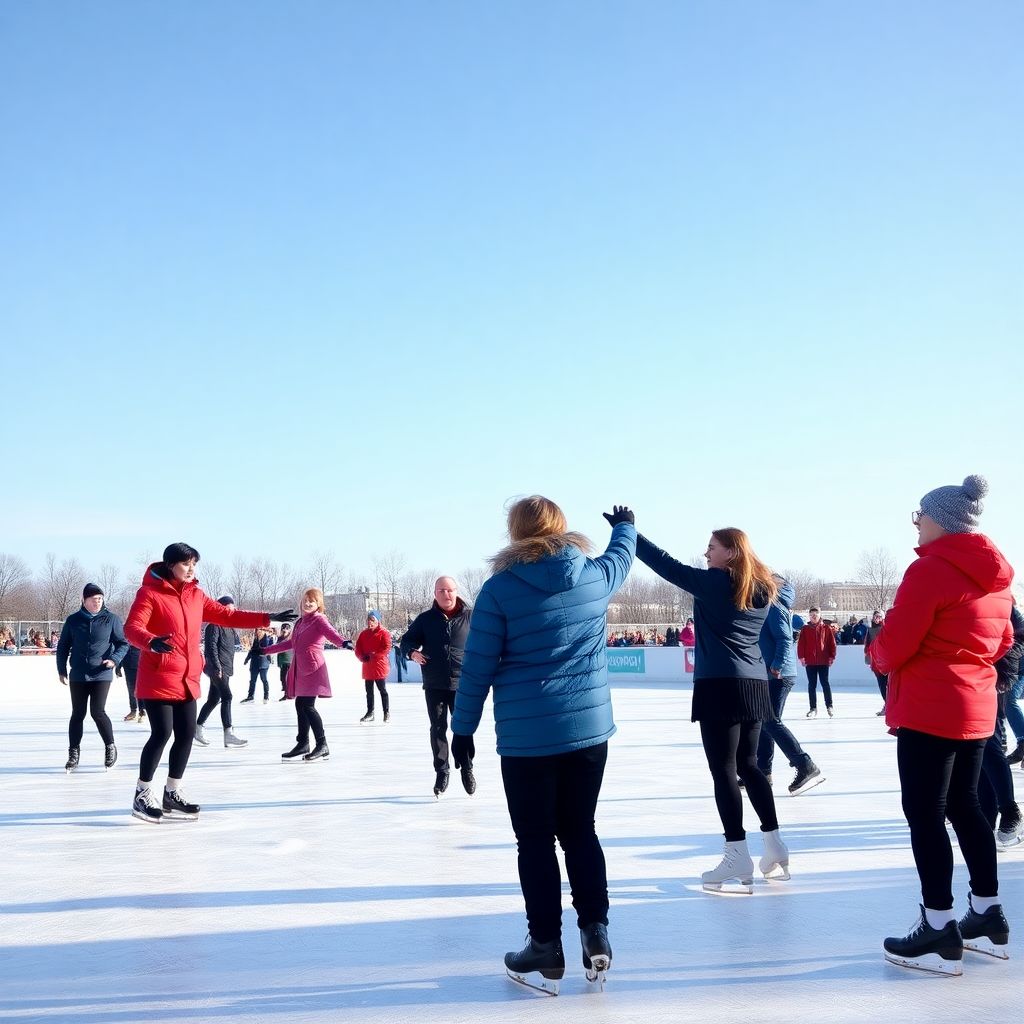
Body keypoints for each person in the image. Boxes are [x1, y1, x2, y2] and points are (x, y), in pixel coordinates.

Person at [450, 498, 635, 994]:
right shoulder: (594, 577)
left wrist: (462, 729)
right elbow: (621, 557)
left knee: (535, 839)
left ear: (515, 532)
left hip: (528, 739)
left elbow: (479, 667)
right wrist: (625, 527)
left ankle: (545, 946)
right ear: (561, 528)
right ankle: (595, 929)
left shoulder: (500, 590)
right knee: (580, 831)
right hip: (588, 733)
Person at [871, 476, 1013, 975]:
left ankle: (938, 924)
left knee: (926, 812)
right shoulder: (996, 579)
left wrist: (876, 653)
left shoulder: (930, 570)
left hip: (931, 706)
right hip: (975, 706)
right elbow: (1001, 643)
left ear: (942, 521)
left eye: (920, 514)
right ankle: (986, 911)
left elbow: (898, 642)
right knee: (967, 805)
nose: (916, 522)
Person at [634, 524, 789, 894]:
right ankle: (774, 845)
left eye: (711, 547)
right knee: (749, 766)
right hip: (753, 684)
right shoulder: (762, 588)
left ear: (731, 552)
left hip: (719, 684)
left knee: (724, 770)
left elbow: (666, 565)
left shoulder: (717, 583)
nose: (706, 554)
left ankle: (736, 851)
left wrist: (630, 534)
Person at [123, 542, 296, 823]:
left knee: (186, 734)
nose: (191, 569)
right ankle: (142, 794)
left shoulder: (196, 595)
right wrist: (151, 642)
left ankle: (172, 792)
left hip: (188, 677)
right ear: (170, 565)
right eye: (185, 564)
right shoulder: (150, 593)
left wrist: (267, 617)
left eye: (194, 564)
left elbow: (227, 615)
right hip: (158, 675)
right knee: (162, 733)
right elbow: (132, 628)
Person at [400, 576, 473, 797]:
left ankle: (467, 767)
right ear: (435, 593)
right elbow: (406, 641)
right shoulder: (425, 619)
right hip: (435, 683)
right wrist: (412, 652)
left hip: (463, 682)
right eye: (441, 590)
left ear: (456, 591)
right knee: (438, 728)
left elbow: (488, 641)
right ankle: (442, 771)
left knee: (463, 727)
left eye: (450, 590)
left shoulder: (472, 617)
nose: (446, 594)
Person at [757, 577, 824, 796]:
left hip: (779, 673)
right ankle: (763, 771)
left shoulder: (774, 605)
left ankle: (805, 765)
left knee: (770, 721)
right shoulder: (768, 604)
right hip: (773, 672)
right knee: (766, 721)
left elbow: (785, 640)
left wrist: (776, 664)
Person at [263, 588, 347, 762]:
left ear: (318, 604)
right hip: (300, 668)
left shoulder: (319, 619)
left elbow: (332, 634)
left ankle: (322, 745)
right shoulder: (301, 622)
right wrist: (264, 650)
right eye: (306, 600)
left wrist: (343, 642)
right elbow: (290, 644)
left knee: (307, 705)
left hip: (313, 668)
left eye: (312, 601)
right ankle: (303, 743)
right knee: (301, 704)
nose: (308, 603)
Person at [56, 583, 130, 773]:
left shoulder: (111, 619)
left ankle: (110, 747)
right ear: (84, 600)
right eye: (93, 599)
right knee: (78, 714)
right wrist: (61, 669)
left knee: (97, 711)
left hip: (101, 673)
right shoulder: (73, 620)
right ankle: (73, 753)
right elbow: (63, 646)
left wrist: (114, 660)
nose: (97, 602)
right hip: (79, 673)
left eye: (100, 599)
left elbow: (123, 643)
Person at [195, 596, 247, 749]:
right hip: (217, 668)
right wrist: (217, 667)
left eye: (233, 608)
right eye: (228, 608)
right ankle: (228, 733)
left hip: (226, 667)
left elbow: (232, 647)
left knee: (213, 699)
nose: (231, 611)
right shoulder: (214, 625)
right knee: (227, 696)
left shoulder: (230, 627)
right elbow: (210, 648)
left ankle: (197, 728)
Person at [797, 607, 836, 717]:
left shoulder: (826, 628)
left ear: (820, 615)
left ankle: (829, 706)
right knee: (811, 685)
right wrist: (801, 657)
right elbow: (801, 644)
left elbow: (831, 644)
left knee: (825, 683)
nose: (814, 616)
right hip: (810, 662)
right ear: (809, 616)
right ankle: (813, 708)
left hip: (823, 661)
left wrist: (831, 657)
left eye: (816, 614)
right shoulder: (805, 629)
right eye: (812, 614)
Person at [355, 610, 392, 723]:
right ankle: (370, 712)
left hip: (379, 666)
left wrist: (374, 655)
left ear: (377, 621)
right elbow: (358, 648)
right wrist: (362, 657)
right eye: (369, 620)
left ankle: (386, 712)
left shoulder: (383, 633)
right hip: (367, 666)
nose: (370, 622)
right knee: (369, 691)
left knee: (382, 689)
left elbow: (386, 648)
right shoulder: (363, 634)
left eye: (373, 620)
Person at [863, 610, 888, 715]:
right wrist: (868, 657)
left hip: (887, 662)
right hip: (876, 663)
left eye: (879, 616)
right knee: (882, 686)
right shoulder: (870, 630)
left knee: (889, 686)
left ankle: (890, 706)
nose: (877, 618)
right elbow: (867, 645)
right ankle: (887, 704)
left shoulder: (886, 628)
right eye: (875, 616)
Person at [241, 627, 273, 703]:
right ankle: (250, 696)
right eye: (256, 630)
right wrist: (247, 659)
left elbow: (264, 649)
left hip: (263, 663)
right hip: (254, 663)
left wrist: (268, 659)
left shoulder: (266, 638)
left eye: (259, 630)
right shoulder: (254, 639)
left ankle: (266, 696)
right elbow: (251, 650)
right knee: (252, 680)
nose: (257, 631)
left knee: (264, 679)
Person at [116, 643, 145, 722]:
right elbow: (121, 646)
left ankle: (142, 711)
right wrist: (118, 666)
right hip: (128, 661)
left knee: (141, 687)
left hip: (143, 660)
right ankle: (133, 710)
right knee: (131, 687)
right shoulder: (123, 631)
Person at [276, 622, 293, 700]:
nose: (284, 631)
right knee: (282, 678)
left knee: (287, 678)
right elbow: (276, 648)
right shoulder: (280, 638)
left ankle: (288, 694)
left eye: (286, 629)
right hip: (282, 661)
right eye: (283, 629)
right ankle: (288, 692)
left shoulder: (291, 638)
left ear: (289, 630)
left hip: (289, 661)